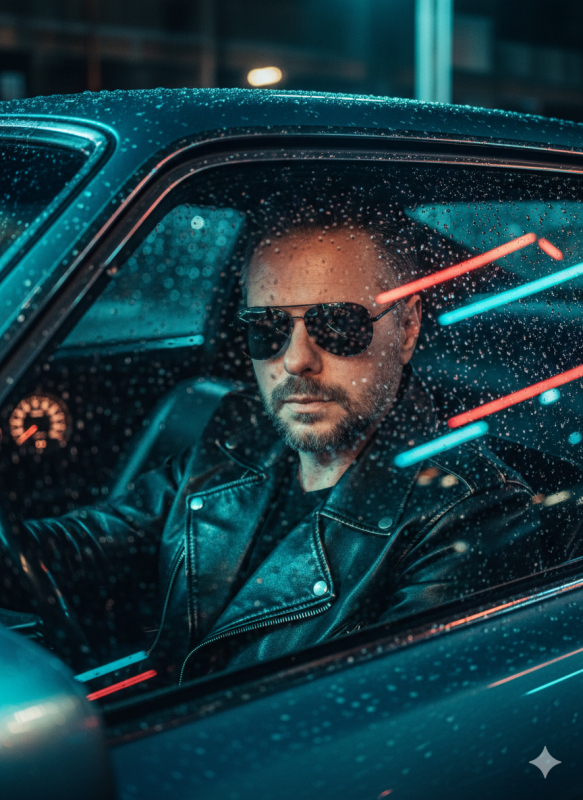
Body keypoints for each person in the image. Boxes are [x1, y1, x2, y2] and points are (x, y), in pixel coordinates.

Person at [18, 203, 542, 684]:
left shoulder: (473, 515)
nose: (295, 360)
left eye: (337, 324)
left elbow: (371, 719)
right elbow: (79, 547)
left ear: (406, 327)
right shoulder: (240, 430)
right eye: (267, 328)